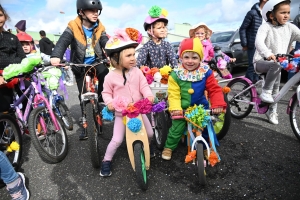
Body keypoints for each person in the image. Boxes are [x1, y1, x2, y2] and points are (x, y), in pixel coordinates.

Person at [50, 0, 109, 140]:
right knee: (83, 95)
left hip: (96, 62)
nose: (95, 14)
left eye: (97, 10)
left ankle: (100, 100)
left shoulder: (100, 27)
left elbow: (106, 42)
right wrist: (56, 56)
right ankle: (85, 122)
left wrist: (113, 54)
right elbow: (63, 41)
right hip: (79, 65)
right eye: (91, 10)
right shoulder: (73, 26)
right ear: (81, 11)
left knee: (105, 73)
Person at [161, 37, 227, 160]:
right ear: (181, 58)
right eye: (186, 57)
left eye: (194, 57)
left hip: (200, 107)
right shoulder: (176, 74)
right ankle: (169, 147)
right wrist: (175, 108)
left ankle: (207, 146)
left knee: (206, 128)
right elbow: (173, 94)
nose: (190, 61)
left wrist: (217, 104)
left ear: (200, 58)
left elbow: (214, 89)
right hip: (182, 108)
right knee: (177, 129)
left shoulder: (206, 72)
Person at [100, 28, 154, 177]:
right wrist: (110, 102)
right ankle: (106, 160)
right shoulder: (110, 77)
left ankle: (147, 148)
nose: (133, 58)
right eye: (128, 55)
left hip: (138, 111)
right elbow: (106, 93)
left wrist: (148, 95)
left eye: (134, 55)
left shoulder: (137, 71)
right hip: (121, 114)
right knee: (117, 140)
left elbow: (143, 85)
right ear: (116, 58)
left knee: (149, 133)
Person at [254, 0, 300, 125]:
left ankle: (272, 110)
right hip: (261, 61)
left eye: (288, 12)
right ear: (272, 15)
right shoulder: (265, 27)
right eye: (283, 12)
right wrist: (267, 53)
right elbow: (259, 42)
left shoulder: (290, 27)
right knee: (275, 70)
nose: (286, 15)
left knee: (277, 90)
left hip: (278, 63)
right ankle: (265, 92)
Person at [0, 4, 26, 112]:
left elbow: (22, 57)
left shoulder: (12, 37)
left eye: (0, 15)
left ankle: (29, 126)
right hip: (2, 79)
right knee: (5, 108)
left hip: (16, 76)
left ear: (5, 17)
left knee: (31, 95)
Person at [240, 0, 269, 83]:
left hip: (265, 45)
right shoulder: (252, 13)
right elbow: (243, 28)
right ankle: (247, 89)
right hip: (253, 45)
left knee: (261, 68)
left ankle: (254, 88)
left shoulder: (270, 13)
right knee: (252, 67)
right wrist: (244, 44)